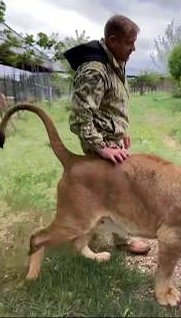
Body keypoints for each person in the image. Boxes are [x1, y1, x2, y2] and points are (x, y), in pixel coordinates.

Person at [63, 14, 150, 255]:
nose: (134, 48)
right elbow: (80, 116)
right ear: (113, 40)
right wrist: (101, 147)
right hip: (101, 144)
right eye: (130, 42)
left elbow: (111, 105)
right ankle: (114, 240)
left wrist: (122, 132)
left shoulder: (116, 61)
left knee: (115, 193)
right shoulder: (95, 69)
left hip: (112, 141)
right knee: (117, 194)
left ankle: (97, 235)